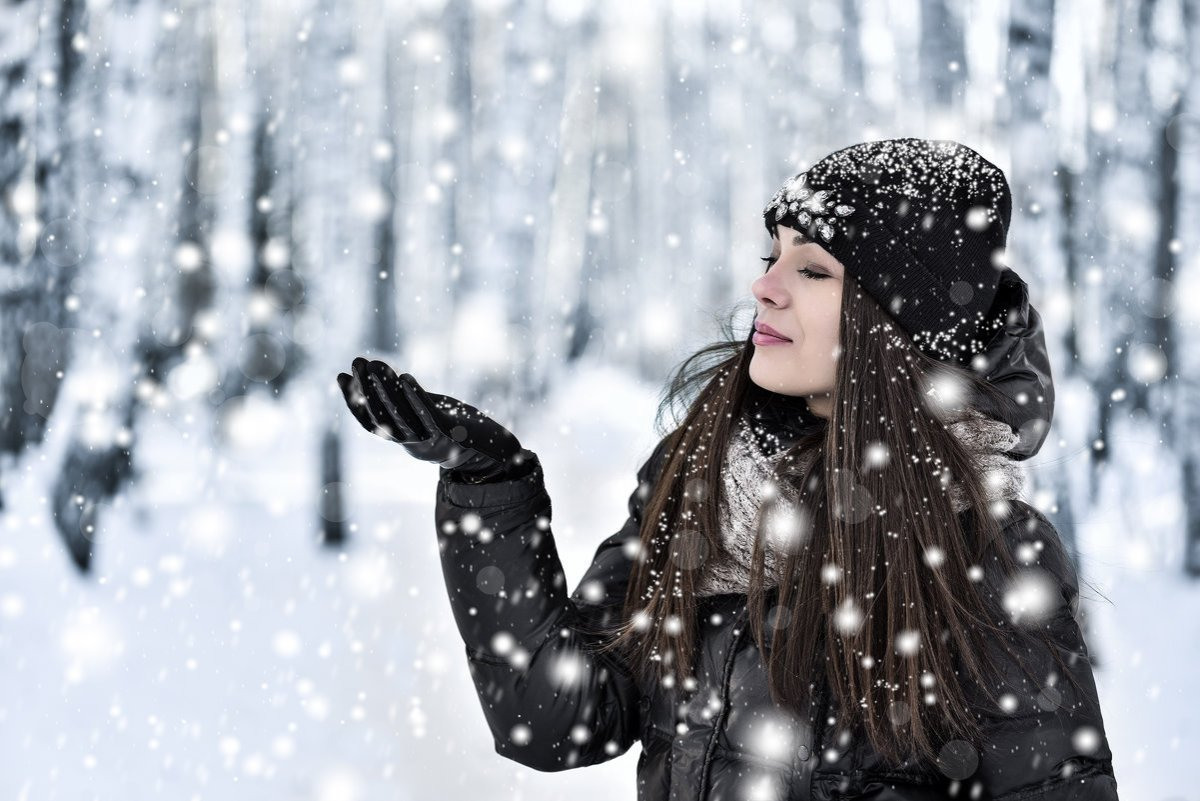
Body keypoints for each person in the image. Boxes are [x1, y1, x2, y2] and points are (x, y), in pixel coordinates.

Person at [337, 138, 1120, 800]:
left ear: (897, 326)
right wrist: (492, 485)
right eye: (770, 254)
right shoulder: (705, 478)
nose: (764, 286)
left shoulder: (984, 555)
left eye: (811, 271)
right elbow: (554, 719)